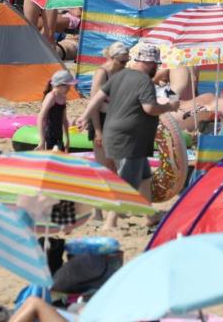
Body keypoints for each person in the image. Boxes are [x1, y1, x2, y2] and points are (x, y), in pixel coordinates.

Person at [76, 45, 178, 228]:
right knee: (126, 180)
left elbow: (97, 97)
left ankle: (149, 215)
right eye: (155, 64)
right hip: (129, 137)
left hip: (116, 132)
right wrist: (169, 107)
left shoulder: (122, 75)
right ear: (149, 63)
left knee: (145, 178)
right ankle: (110, 222)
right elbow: (150, 109)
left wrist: (84, 116)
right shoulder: (142, 80)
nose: (156, 68)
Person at [86, 42, 129, 170]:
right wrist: (98, 131)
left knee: (118, 165)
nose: (125, 64)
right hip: (101, 119)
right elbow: (94, 104)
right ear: (111, 58)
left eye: (127, 61)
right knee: (104, 166)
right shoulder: (102, 73)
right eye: (122, 61)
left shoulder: (122, 71)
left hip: (116, 121)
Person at [37, 70, 75, 151]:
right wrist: (42, 140)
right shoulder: (51, 97)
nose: (69, 88)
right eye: (67, 86)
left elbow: (64, 119)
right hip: (48, 135)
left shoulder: (63, 97)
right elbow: (40, 117)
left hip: (58, 135)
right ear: (59, 85)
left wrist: (67, 138)